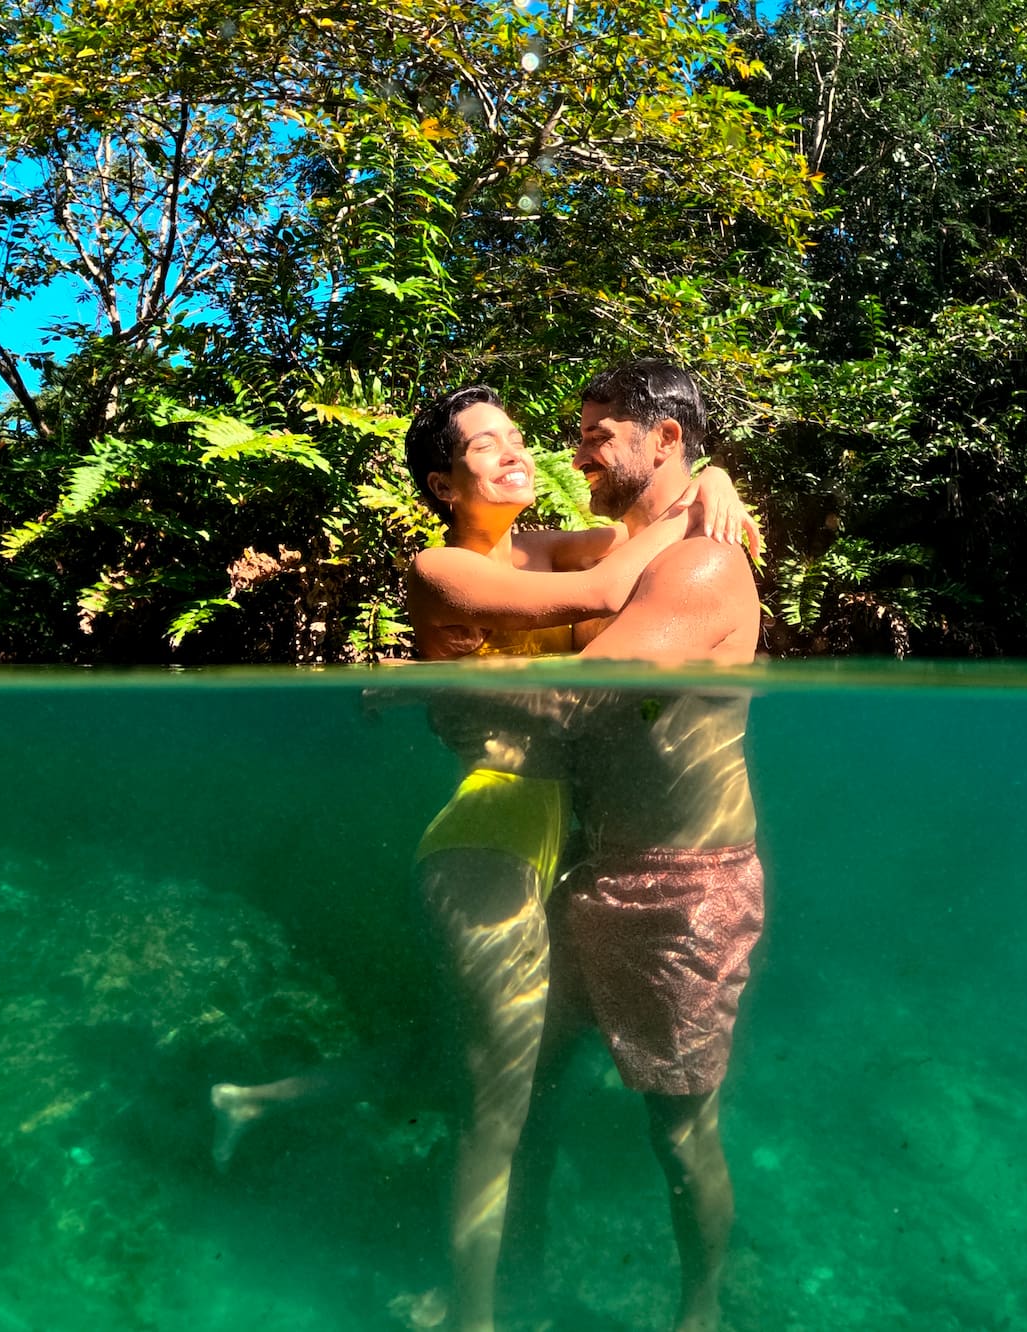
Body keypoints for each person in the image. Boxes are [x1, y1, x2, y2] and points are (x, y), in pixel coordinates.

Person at [210, 383, 754, 1332]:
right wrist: (697, 493)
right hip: (496, 830)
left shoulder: (544, 544)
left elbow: (634, 553)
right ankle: (470, 1318)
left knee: (474, 1071)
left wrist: (715, 480)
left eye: (520, 438)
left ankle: (256, 1101)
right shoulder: (441, 565)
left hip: (577, 849)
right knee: (493, 1108)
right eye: (487, 447)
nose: (521, 455)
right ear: (441, 483)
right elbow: (601, 595)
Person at [503, 359, 763, 1332]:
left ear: (663, 439)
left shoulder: (698, 562)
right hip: (595, 868)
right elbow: (508, 554)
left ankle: (698, 1314)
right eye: (574, 434)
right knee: (525, 1087)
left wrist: (413, 687)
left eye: (597, 432)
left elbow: (574, 695)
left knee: (678, 1130)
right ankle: (510, 1283)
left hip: (684, 893)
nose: (577, 452)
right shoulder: (630, 545)